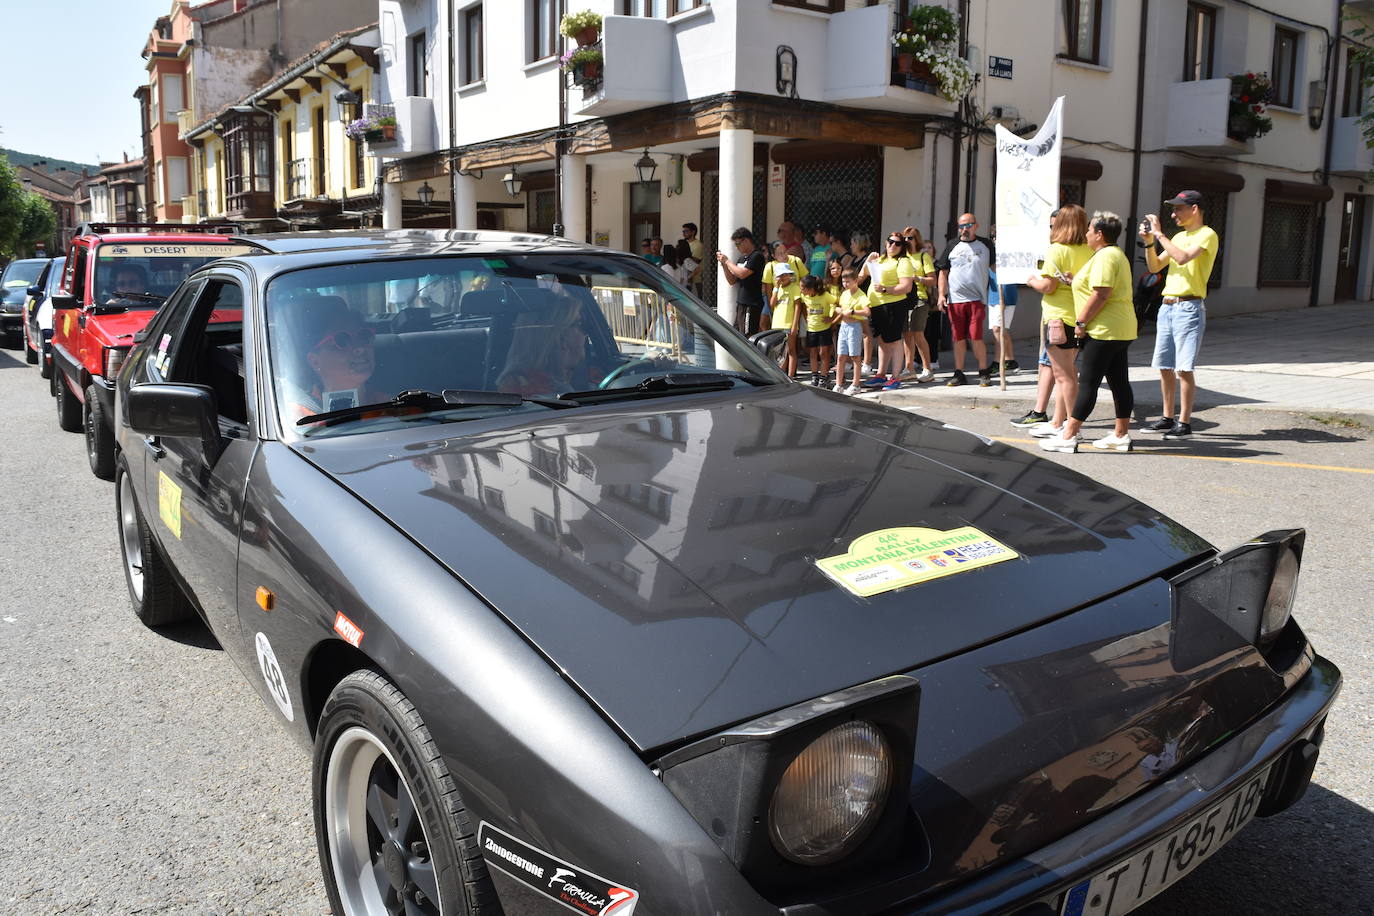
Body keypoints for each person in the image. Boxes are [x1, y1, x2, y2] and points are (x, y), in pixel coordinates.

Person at [1039, 211, 1138, 454]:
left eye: (1090, 230)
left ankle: (1069, 436)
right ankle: (1120, 434)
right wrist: (1075, 282)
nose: (1086, 233)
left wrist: (1081, 322)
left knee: (1088, 383)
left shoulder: (1105, 256)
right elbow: (1100, 287)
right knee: (1119, 382)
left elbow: (1102, 293)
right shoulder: (1114, 254)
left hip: (1104, 330)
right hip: (1120, 328)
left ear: (1099, 234)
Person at [1140, 189, 1220, 440]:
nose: (1174, 214)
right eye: (1173, 209)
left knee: (1183, 369)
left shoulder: (1207, 234)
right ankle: (1167, 417)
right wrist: (1149, 242)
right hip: (1168, 306)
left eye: (1178, 209)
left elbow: (1183, 258)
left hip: (1189, 307)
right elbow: (1155, 266)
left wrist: (1160, 234)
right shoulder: (1178, 236)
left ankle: (1184, 422)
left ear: (1194, 209)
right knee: (1164, 365)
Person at [1021, 205, 1092, 435]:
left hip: (1057, 318)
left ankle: (1072, 428)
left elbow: (1048, 287)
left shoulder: (1057, 249)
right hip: (1079, 316)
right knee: (1067, 372)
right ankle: (1057, 423)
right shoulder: (1089, 250)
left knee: (1064, 375)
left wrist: (1032, 280)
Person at [284, 298, 388, 424]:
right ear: (314, 360)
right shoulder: (297, 420)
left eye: (363, 336)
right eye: (342, 340)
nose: (359, 348)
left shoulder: (394, 407)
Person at [936, 213, 995, 387]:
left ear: (976, 226)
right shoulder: (952, 245)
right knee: (958, 338)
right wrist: (941, 295)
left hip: (977, 299)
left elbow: (995, 267)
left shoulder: (985, 245)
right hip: (956, 300)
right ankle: (959, 372)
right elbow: (943, 271)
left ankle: (983, 371)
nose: (963, 229)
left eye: (968, 225)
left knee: (976, 336)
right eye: (961, 226)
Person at [497, 297, 595, 396]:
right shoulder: (522, 390)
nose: (585, 333)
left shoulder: (588, 375)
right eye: (580, 324)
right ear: (561, 339)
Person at [859, 232, 916, 391]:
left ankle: (896, 376)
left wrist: (885, 289)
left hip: (894, 304)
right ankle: (881, 374)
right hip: (877, 304)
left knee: (895, 340)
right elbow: (863, 275)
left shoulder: (904, 261)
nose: (893, 245)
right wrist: (868, 260)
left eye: (897, 243)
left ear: (902, 247)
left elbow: (906, 286)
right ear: (886, 242)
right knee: (882, 340)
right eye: (890, 242)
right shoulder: (881, 259)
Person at [901, 226, 936, 382]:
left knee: (918, 333)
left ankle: (927, 368)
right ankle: (909, 368)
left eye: (910, 238)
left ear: (917, 240)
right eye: (905, 238)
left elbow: (932, 279)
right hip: (903, 299)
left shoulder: (923, 257)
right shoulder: (902, 257)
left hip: (919, 299)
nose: (907, 241)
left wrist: (918, 278)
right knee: (906, 335)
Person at [716, 227, 766, 335]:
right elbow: (732, 281)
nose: (737, 247)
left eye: (738, 244)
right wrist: (724, 265)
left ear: (746, 241)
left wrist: (727, 261)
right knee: (738, 334)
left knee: (747, 336)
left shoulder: (757, 256)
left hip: (752, 304)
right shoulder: (741, 259)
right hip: (741, 303)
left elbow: (742, 274)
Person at [834, 267, 871, 394]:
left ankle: (856, 384)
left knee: (855, 356)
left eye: (848, 282)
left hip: (854, 327)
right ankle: (838, 384)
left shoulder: (861, 295)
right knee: (840, 356)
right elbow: (841, 308)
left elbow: (867, 311)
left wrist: (854, 312)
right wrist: (838, 310)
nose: (845, 284)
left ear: (855, 281)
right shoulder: (844, 294)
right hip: (843, 326)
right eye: (843, 282)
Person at [799, 273, 838, 387]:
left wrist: (831, 318)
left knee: (824, 353)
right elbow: (801, 305)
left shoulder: (825, 295)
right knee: (812, 353)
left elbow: (837, 303)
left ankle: (824, 376)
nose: (801, 291)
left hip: (824, 328)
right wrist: (806, 316)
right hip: (811, 329)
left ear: (810, 288)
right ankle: (814, 375)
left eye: (803, 288)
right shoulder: (804, 297)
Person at [769, 263, 803, 378]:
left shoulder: (795, 288)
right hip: (777, 324)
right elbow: (772, 304)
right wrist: (776, 288)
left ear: (789, 275)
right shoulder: (778, 289)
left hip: (788, 324)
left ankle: (791, 375)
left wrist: (794, 325)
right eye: (780, 275)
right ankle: (781, 374)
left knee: (791, 350)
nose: (783, 278)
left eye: (785, 275)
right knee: (779, 351)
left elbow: (798, 307)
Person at [987, 269, 1020, 374]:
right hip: (993, 295)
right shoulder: (991, 253)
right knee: (999, 329)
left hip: (1005, 296)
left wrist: (1004, 298)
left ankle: (998, 362)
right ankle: (1010, 361)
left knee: (998, 329)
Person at [681, 223, 706, 293]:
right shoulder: (684, 243)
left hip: (695, 279)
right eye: (683, 231)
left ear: (693, 232)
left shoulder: (698, 245)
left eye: (686, 231)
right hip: (685, 277)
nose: (684, 233)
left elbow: (696, 262)